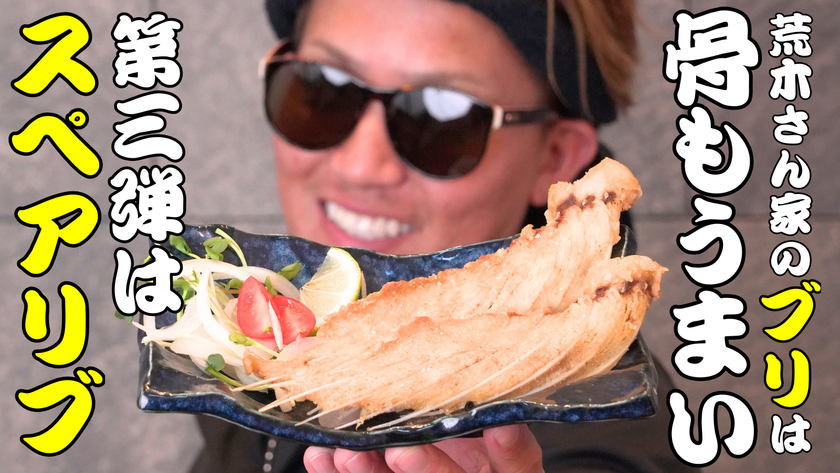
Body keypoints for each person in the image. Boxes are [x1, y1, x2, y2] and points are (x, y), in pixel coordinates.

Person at [191, 0, 696, 471]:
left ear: (556, 156)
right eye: (322, 89)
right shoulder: (249, 352)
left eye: (442, 117)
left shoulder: (607, 436)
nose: (361, 166)